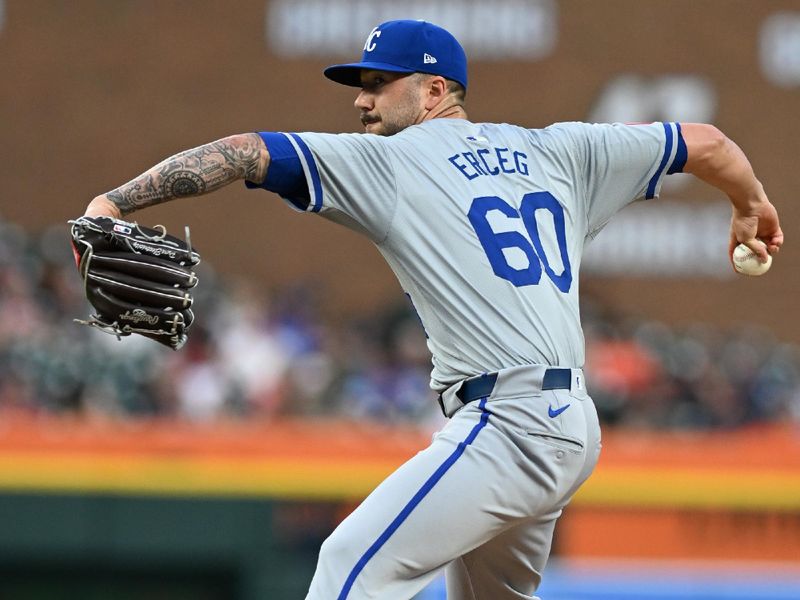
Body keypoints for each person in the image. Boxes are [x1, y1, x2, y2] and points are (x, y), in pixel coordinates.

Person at [81, 19, 783, 600]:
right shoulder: (561, 150)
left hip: (510, 425)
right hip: (568, 425)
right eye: (363, 85)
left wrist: (113, 203)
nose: (363, 102)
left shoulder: (396, 160)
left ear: (435, 91)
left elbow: (240, 152)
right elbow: (709, 144)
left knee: (345, 573)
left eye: (380, 84)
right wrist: (751, 205)